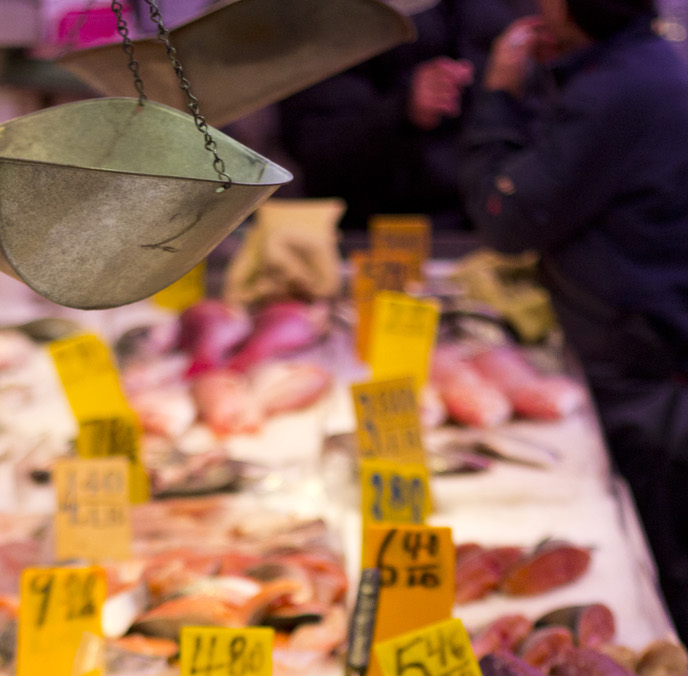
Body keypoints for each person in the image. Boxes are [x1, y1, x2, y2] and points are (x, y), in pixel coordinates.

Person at [461, 0, 688, 640]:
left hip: (639, 368)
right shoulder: (635, 67)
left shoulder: (620, 89)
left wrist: (499, 96)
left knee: (655, 564)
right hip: (637, 344)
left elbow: (507, 216)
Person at [278, 0, 531, 230]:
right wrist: (402, 111)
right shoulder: (335, 16)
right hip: (375, 230)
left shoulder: (493, 14)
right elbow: (317, 146)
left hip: (493, 222)